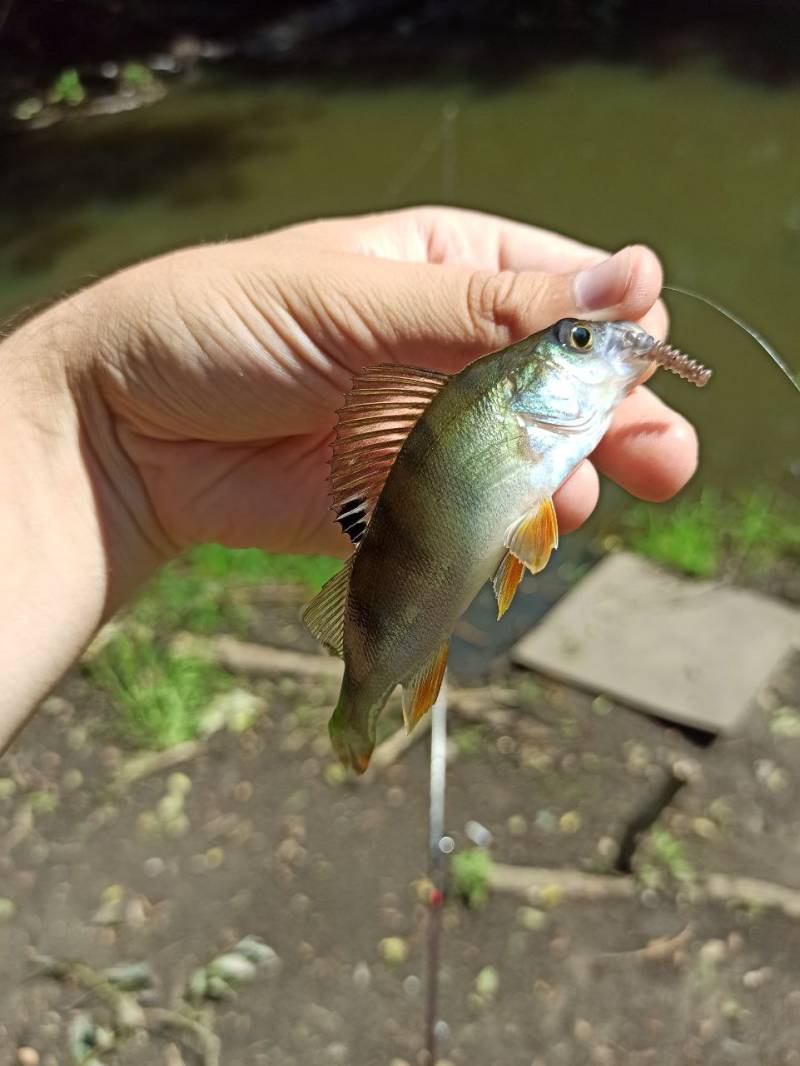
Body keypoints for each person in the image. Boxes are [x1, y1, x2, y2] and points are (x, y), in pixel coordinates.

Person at [0, 206, 697, 751]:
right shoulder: (512, 407)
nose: (595, 341)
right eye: (577, 339)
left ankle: (361, 703)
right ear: (526, 387)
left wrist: (101, 429)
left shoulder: (528, 419)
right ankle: (359, 708)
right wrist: (101, 420)